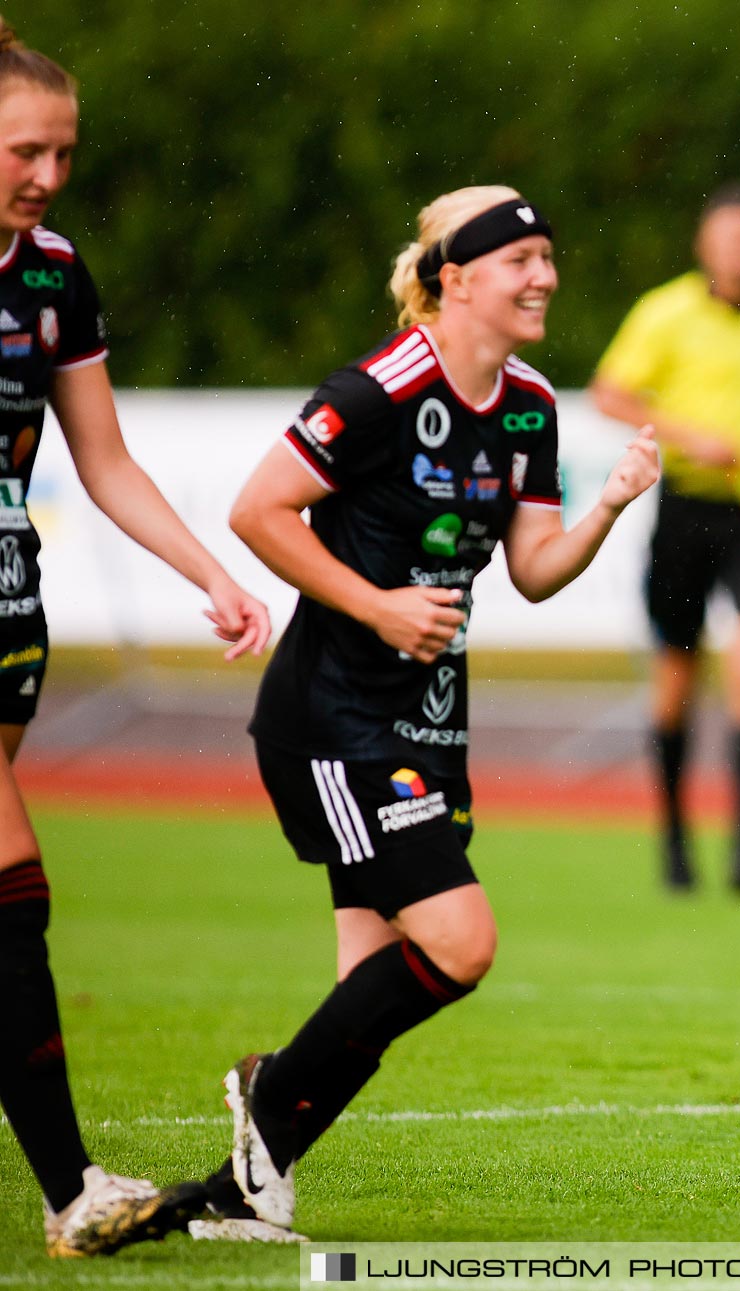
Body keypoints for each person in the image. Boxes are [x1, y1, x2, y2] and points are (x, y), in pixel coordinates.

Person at [187, 186, 659, 1243]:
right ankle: (264, 1099)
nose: (543, 276)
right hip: (335, 719)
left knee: (368, 983)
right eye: (519, 258)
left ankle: (243, 1198)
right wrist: (379, 605)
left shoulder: (529, 404)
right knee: (460, 940)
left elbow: (533, 571)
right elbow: (257, 510)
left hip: (429, 722)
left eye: (548, 255)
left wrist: (611, 504)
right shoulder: (380, 388)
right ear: (453, 275)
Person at [0, 21, 272, 1257]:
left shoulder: (53, 276)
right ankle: (70, 1189)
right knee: (11, 887)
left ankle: (69, 1192)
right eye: (24, 150)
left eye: (62, 152)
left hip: (6, 599)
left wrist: (211, 570)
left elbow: (103, 460)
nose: (48, 175)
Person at [590, 184, 740, 892]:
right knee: (676, 680)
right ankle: (673, 839)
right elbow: (609, 392)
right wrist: (685, 432)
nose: (738, 251)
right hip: (684, 506)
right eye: (726, 238)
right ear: (704, 245)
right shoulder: (664, 311)